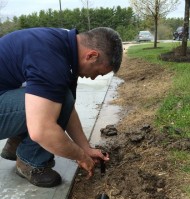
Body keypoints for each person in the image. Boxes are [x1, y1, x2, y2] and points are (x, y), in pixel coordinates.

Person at [0, 27, 123, 187]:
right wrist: (80, 156)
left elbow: (67, 108)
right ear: (92, 56)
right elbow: (42, 130)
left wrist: (86, 148)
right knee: (48, 108)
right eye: (98, 73)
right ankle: (30, 161)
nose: (93, 78)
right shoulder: (51, 60)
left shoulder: (64, 46)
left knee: (56, 99)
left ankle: (15, 146)